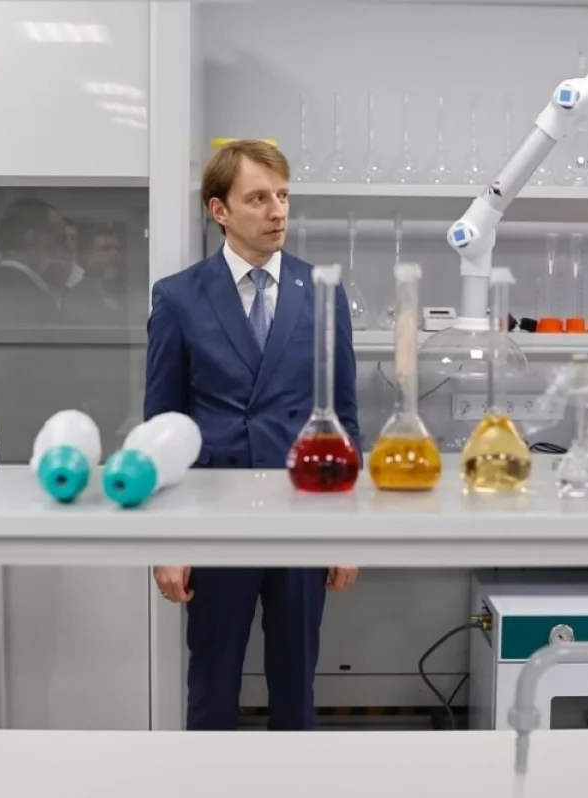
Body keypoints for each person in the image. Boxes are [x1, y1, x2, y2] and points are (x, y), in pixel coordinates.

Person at [143, 139, 361, 731]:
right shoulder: (178, 297)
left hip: (303, 515)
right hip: (214, 517)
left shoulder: (322, 291)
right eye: (259, 198)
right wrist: (167, 543)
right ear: (220, 210)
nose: (278, 211)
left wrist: (348, 530)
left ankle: (294, 779)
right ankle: (207, 779)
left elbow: (343, 417)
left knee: (296, 683)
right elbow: (161, 428)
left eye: (283, 196)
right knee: (212, 685)